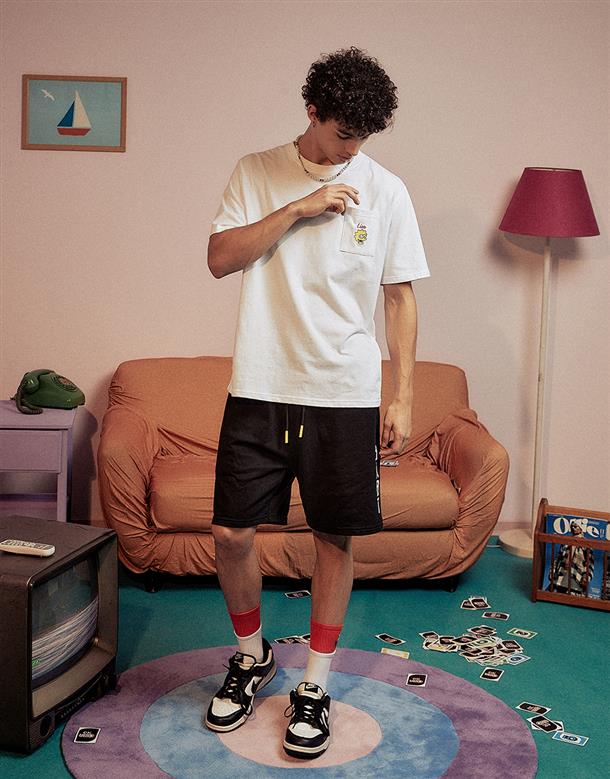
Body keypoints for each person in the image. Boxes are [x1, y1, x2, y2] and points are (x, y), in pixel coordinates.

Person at [204, 46, 429, 759]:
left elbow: (400, 297)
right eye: (342, 134)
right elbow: (220, 258)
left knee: (335, 538)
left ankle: (315, 683)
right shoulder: (255, 171)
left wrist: (401, 396)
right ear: (312, 112)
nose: (351, 150)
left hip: (344, 393)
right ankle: (251, 656)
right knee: (231, 534)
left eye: (363, 138)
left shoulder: (386, 190)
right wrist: (298, 208)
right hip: (261, 383)